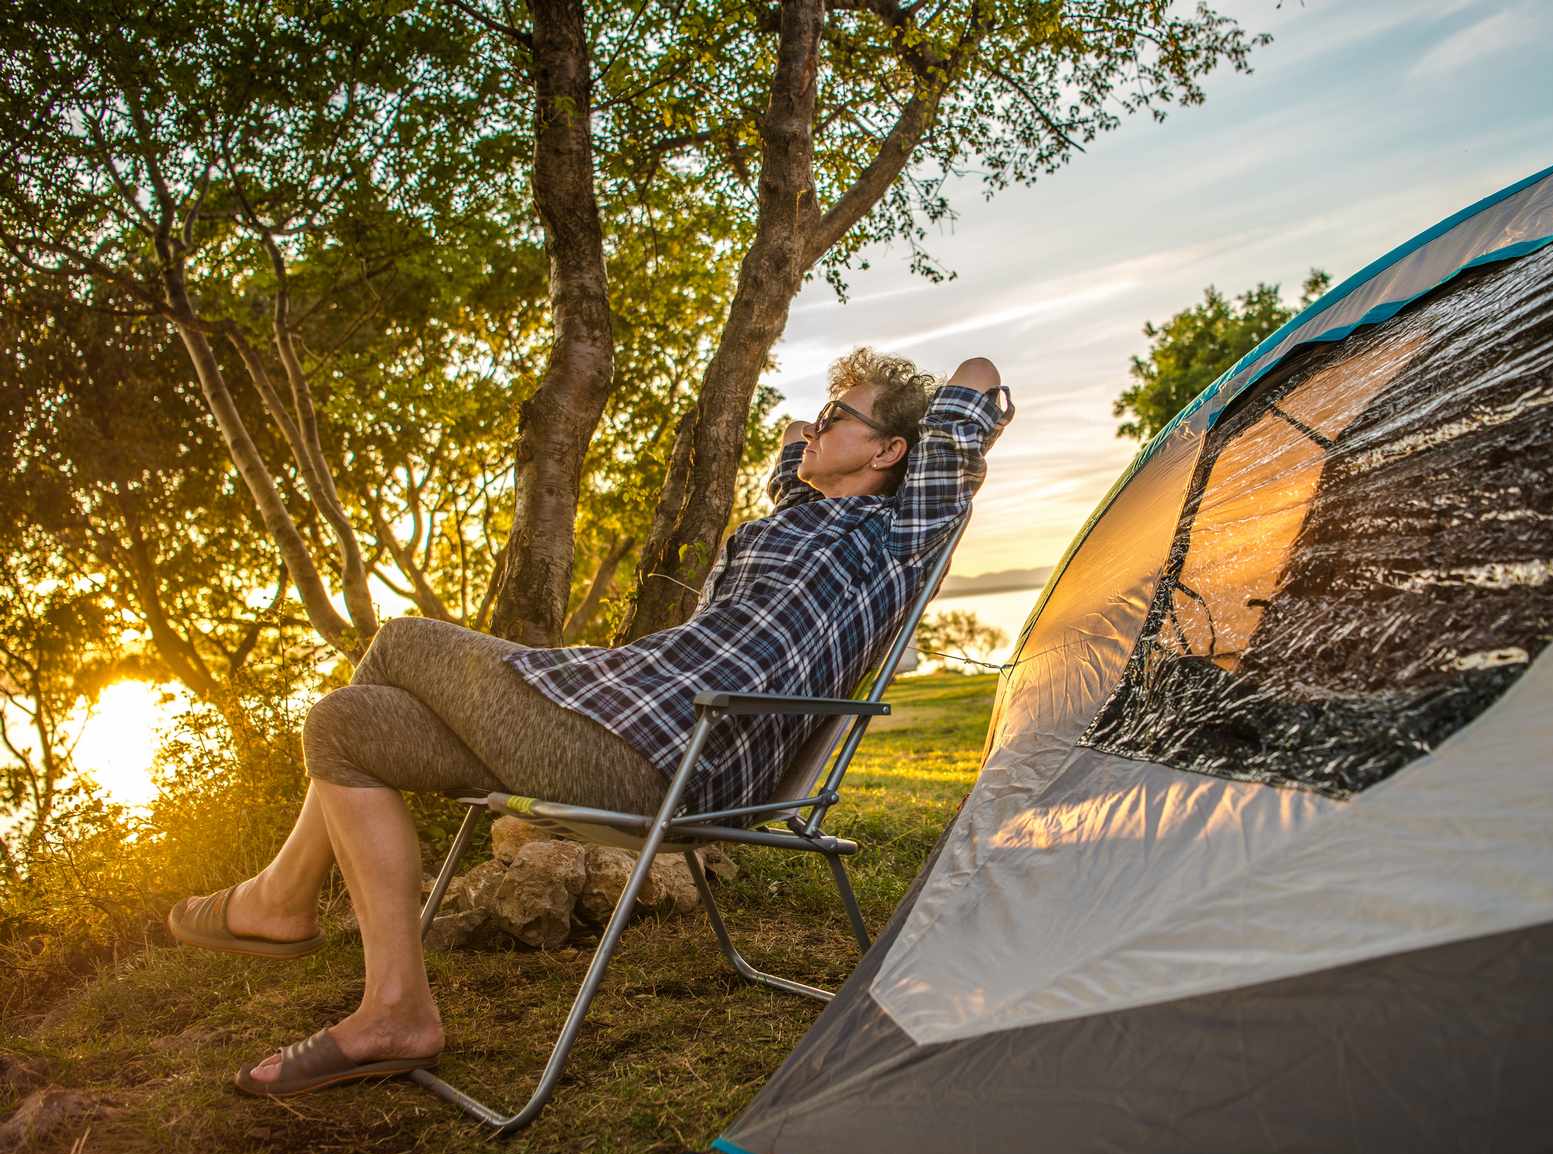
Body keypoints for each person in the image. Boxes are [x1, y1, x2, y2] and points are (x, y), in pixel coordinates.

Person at [166, 349, 1012, 1097]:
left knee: (401, 640)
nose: (819, 425)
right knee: (347, 722)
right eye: (824, 415)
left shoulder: (900, 531)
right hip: (622, 717)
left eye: (843, 418)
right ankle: (393, 1008)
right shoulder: (789, 517)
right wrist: (819, 429)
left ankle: (280, 899)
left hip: (659, 754)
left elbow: (974, 376)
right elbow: (794, 448)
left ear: (895, 452)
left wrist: (887, 411)